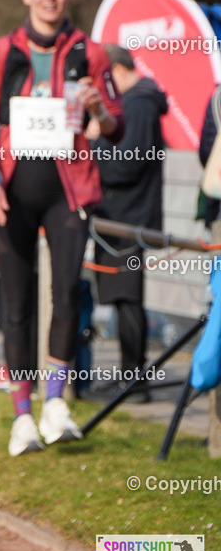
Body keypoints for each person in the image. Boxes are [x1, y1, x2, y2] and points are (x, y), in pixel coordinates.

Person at [0, 0, 125, 456]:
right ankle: (22, 415)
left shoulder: (90, 52)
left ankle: (55, 402)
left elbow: (115, 125)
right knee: (16, 305)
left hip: (69, 190)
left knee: (67, 294)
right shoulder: (2, 51)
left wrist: (98, 107)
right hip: (13, 193)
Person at [88, 44, 166, 403]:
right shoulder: (137, 102)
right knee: (121, 298)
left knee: (127, 297)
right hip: (120, 216)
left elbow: (126, 164)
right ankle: (128, 378)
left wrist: (90, 154)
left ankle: (135, 383)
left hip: (129, 217)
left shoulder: (137, 103)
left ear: (116, 71)